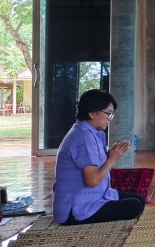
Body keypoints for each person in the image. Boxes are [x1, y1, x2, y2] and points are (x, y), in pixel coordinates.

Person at [52, 89, 145, 225]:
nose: (110, 119)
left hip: (93, 196)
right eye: (108, 114)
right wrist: (112, 159)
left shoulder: (90, 132)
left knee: (139, 200)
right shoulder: (83, 137)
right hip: (76, 208)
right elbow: (93, 180)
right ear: (91, 113)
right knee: (134, 206)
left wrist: (109, 155)